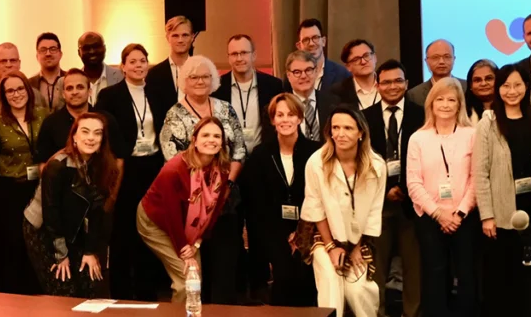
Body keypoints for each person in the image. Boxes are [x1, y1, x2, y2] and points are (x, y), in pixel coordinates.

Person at [159, 56, 250, 302]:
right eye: (194, 77)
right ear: (183, 82)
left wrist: (226, 184)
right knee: (198, 263)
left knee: (226, 261)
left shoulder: (225, 109)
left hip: (226, 197)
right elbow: (172, 158)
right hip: (192, 201)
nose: (200, 81)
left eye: (206, 76)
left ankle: (223, 308)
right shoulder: (174, 114)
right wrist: (203, 189)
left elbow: (239, 149)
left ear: (214, 80)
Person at [94, 43, 168, 300]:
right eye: (132, 61)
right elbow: (104, 130)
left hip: (154, 167)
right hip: (126, 167)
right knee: (124, 231)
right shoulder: (110, 95)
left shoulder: (158, 92)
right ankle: (122, 291)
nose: (138, 65)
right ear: (123, 67)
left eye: (142, 60)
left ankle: (149, 290)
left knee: (151, 227)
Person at [408, 78, 486, 317]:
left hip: (465, 216)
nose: (445, 105)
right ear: (431, 103)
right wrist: (438, 213)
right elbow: (413, 183)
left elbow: (477, 178)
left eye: (451, 100)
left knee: (467, 273)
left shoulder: (472, 134)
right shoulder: (418, 138)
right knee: (434, 273)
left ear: (459, 104)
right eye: (439, 99)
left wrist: (460, 212)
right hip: (430, 217)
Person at [304, 110, 386, 316]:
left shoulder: (377, 166)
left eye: (348, 128)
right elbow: (315, 208)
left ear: (361, 133)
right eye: (335, 128)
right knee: (331, 283)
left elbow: (375, 211)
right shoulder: (317, 162)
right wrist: (331, 247)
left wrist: (357, 247)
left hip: (358, 239)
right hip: (323, 236)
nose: (340, 134)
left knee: (358, 290)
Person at [140, 117, 231, 303]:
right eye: (205, 135)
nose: (211, 140)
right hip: (155, 222)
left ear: (222, 142)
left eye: (217, 136)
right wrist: (183, 249)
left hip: (189, 229)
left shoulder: (221, 170)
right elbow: (171, 214)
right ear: (194, 140)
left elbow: (214, 211)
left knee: (194, 278)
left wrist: (196, 243)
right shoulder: (174, 170)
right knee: (184, 281)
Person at [472, 65, 531, 317]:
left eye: (518, 85)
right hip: (500, 214)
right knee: (501, 277)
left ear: (526, 87)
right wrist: (486, 215)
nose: (512, 91)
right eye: (506, 85)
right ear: (498, 89)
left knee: (529, 277)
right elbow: (480, 172)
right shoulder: (488, 124)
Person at [356, 60, 422, 314]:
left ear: (406, 84)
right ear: (376, 84)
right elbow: (359, 160)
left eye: (398, 81)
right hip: (377, 204)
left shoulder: (421, 114)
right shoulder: (364, 117)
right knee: (377, 269)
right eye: (386, 81)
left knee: (414, 270)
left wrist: (405, 187)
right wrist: (385, 190)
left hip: (413, 202)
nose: (392, 86)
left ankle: (412, 313)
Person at [244, 94, 321, 306]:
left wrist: (300, 233)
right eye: (280, 115)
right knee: (284, 278)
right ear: (272, 120)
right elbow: (258, 204)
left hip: (310, 229)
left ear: (299, 118)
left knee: (307, 280)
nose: (285, 120)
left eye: (291, 114)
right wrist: (282, 235)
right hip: (274, 232)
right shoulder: (261, 155)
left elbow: (320, 198)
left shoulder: (316, 152)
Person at [35, 112, 122, 298]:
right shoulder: (57, 166)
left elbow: (98, 212)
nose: (91, 138)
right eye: (85, 131)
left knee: (91, 282)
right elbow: (51, 212)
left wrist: (90, 251)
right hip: (44, 229)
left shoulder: (106, 166)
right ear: (74, 136)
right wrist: (61, 255)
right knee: (64, 287)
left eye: (97, 133)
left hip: (77, 226)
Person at [0, 74, 46, 293]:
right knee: (13, 244)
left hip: (38, 189)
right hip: (9, 191)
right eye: (10, 91)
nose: (16, 94)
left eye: (20, 89)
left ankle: (37, 294)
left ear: (28, 91)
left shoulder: (42, 115)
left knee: (36, 242)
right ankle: (13, 295)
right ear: (3, 95)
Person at [220, 35, 291, 148]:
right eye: (234, 54)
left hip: (263, 157)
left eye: (244, 53)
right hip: (228, 159)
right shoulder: (217, 87)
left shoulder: (274, 86)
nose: (239, 58)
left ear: (254, 55)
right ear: (228, 58)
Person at [147, 16, 197, 111]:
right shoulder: (154, 75)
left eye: (185, 35)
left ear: (192, 37)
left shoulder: (202, 70)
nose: (180, 40)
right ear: (167, 38)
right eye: (175, 35)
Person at [297, 19, 352, 88]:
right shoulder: (291, 77)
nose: (311, 43)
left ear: (323, 41)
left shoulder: (342, 75)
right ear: (299, 46)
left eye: (315, 38)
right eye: (306, 40)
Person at [411, 39, 462, 109]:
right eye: (435, 57)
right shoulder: (414, 94)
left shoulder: (467, 88)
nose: (441, 61)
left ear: (454, 59)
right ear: (426, 61)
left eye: (446, 57)